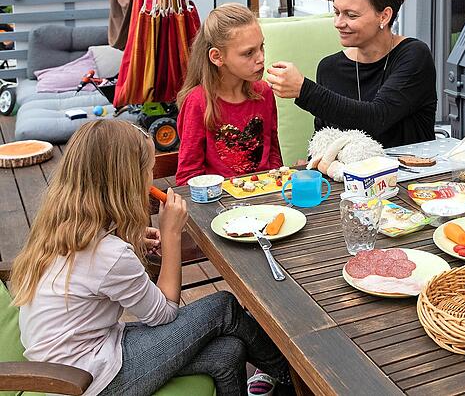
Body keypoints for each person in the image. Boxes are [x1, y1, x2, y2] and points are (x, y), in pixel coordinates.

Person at [11, 120, 291, 395]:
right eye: (148, 169)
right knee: (225, 306)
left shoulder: (60, 227)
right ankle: (290, 376)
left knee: (228, 352)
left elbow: (95, 270)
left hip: (68, 357)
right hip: (84, 380)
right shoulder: (109, 254)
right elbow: (163, 313)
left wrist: (127, 239)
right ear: (127, 180)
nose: (152, 177)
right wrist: (171, 236)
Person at [266, 0, 437, 148]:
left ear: (384, 16)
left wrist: (303, 90)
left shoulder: (414, 56)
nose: (338, 23)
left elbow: (376, 118)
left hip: (411, 176)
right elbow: (323, 139)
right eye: (337, 12)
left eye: (351, 15)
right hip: (345, 177)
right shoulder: (329, 68)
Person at [176, 3, 282, 186]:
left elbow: (273, 154)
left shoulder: (264, 92)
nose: (261, 58)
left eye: (261, 47)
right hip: (219, 206)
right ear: (217, 57)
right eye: (248, 53)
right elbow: (188, 178)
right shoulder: (198, 102)